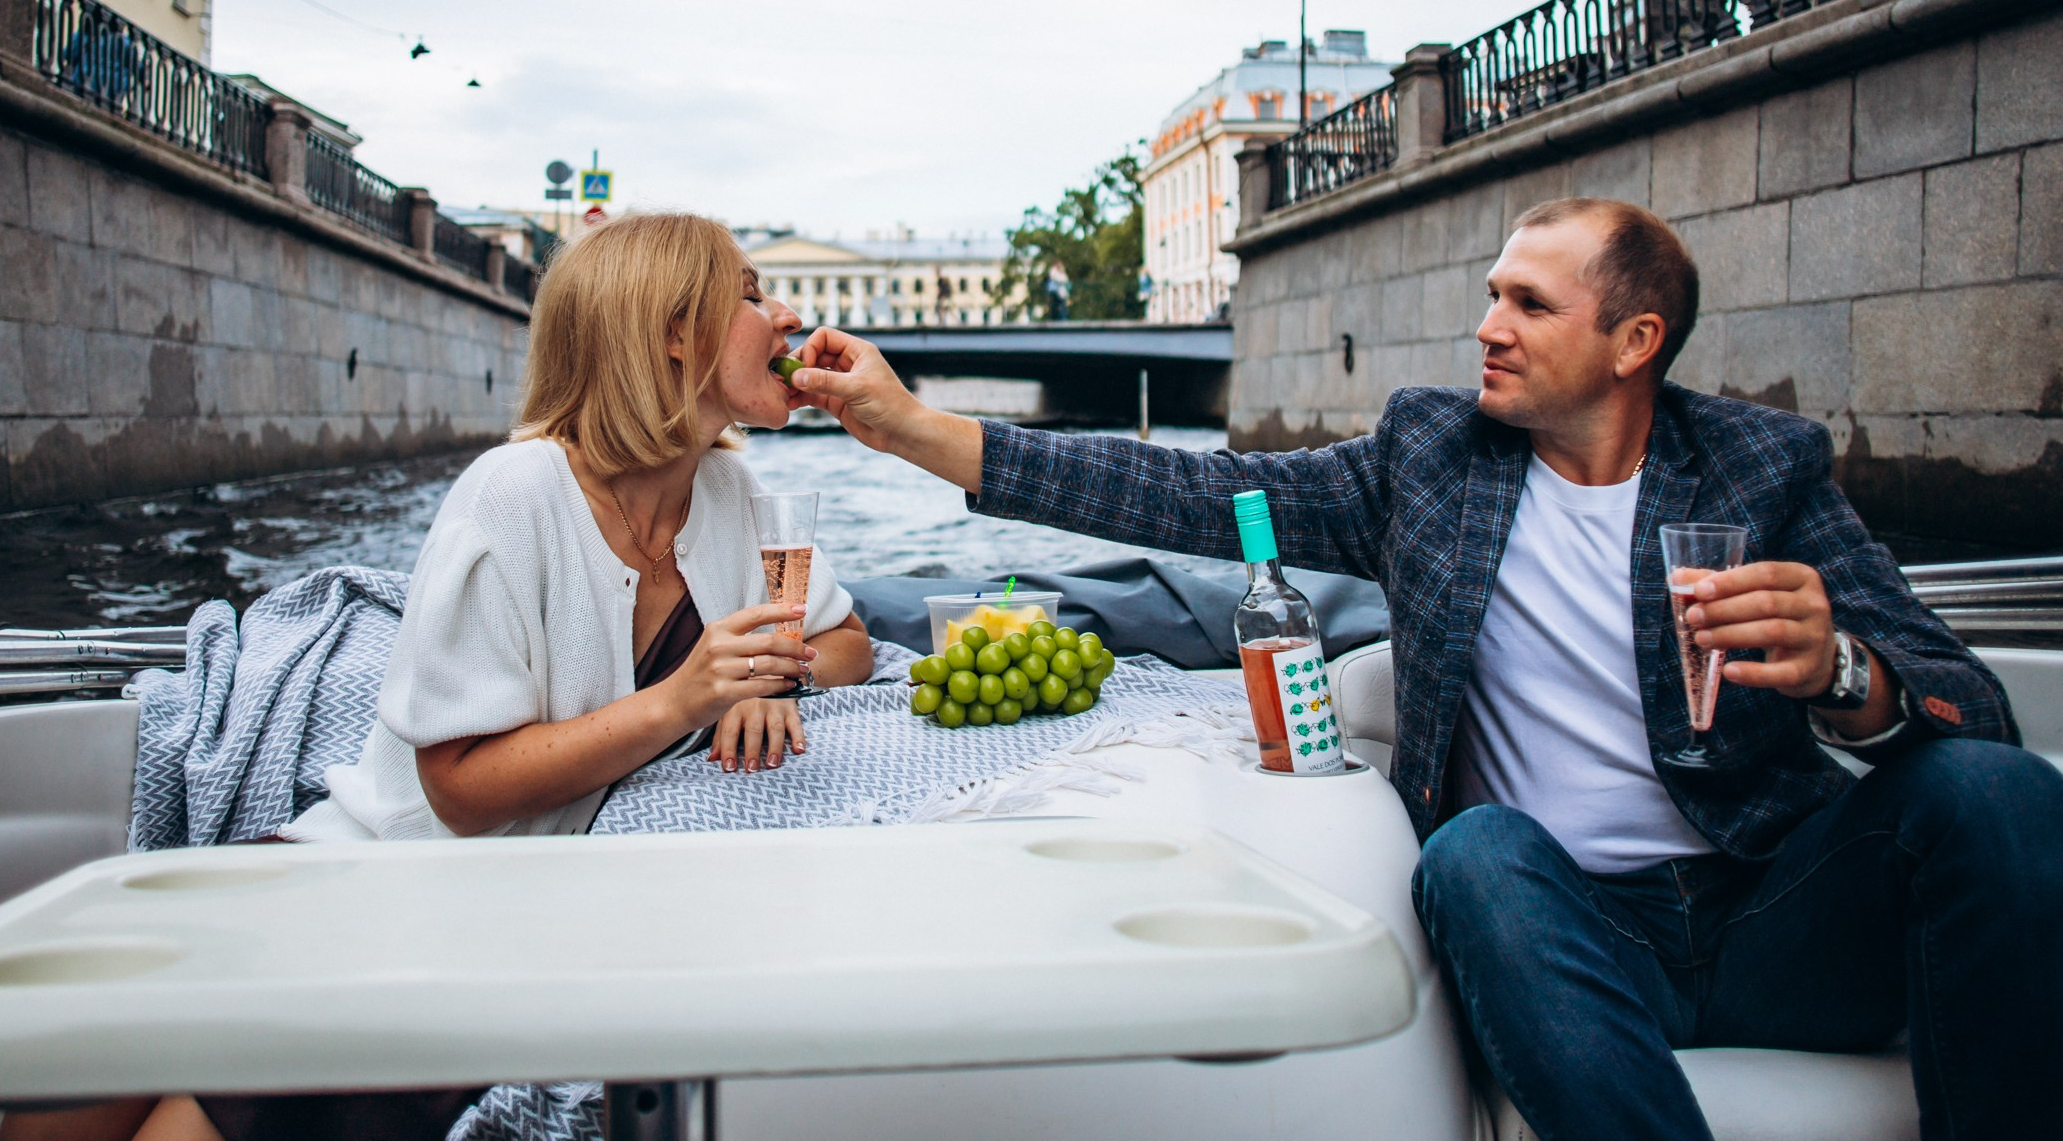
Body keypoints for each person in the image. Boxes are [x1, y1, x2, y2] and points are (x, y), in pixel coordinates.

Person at [787, 196, 2062, 1141]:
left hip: (1774, 905)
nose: (1486, 326)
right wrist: (910, 429)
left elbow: (1974, 708)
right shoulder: (1431, 455)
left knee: (2001, 797)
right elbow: (1185, 488)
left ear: (1634, 340)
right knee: (1475, 849)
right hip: (1560, 927)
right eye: (1492, 293)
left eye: (1527, 304)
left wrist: (1847, 673)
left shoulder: (1761, 469)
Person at [4, 212, 873, 1141]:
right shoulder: (517, 491)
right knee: (83, 1058)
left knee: (224, 1090)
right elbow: (459, 790)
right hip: (386, 880)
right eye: (749, 293)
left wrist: (774, 681)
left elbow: (851, 639)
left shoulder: (736, 499)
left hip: (508, 925)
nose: (784, 316)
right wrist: (684, 698)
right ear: (670, 331)